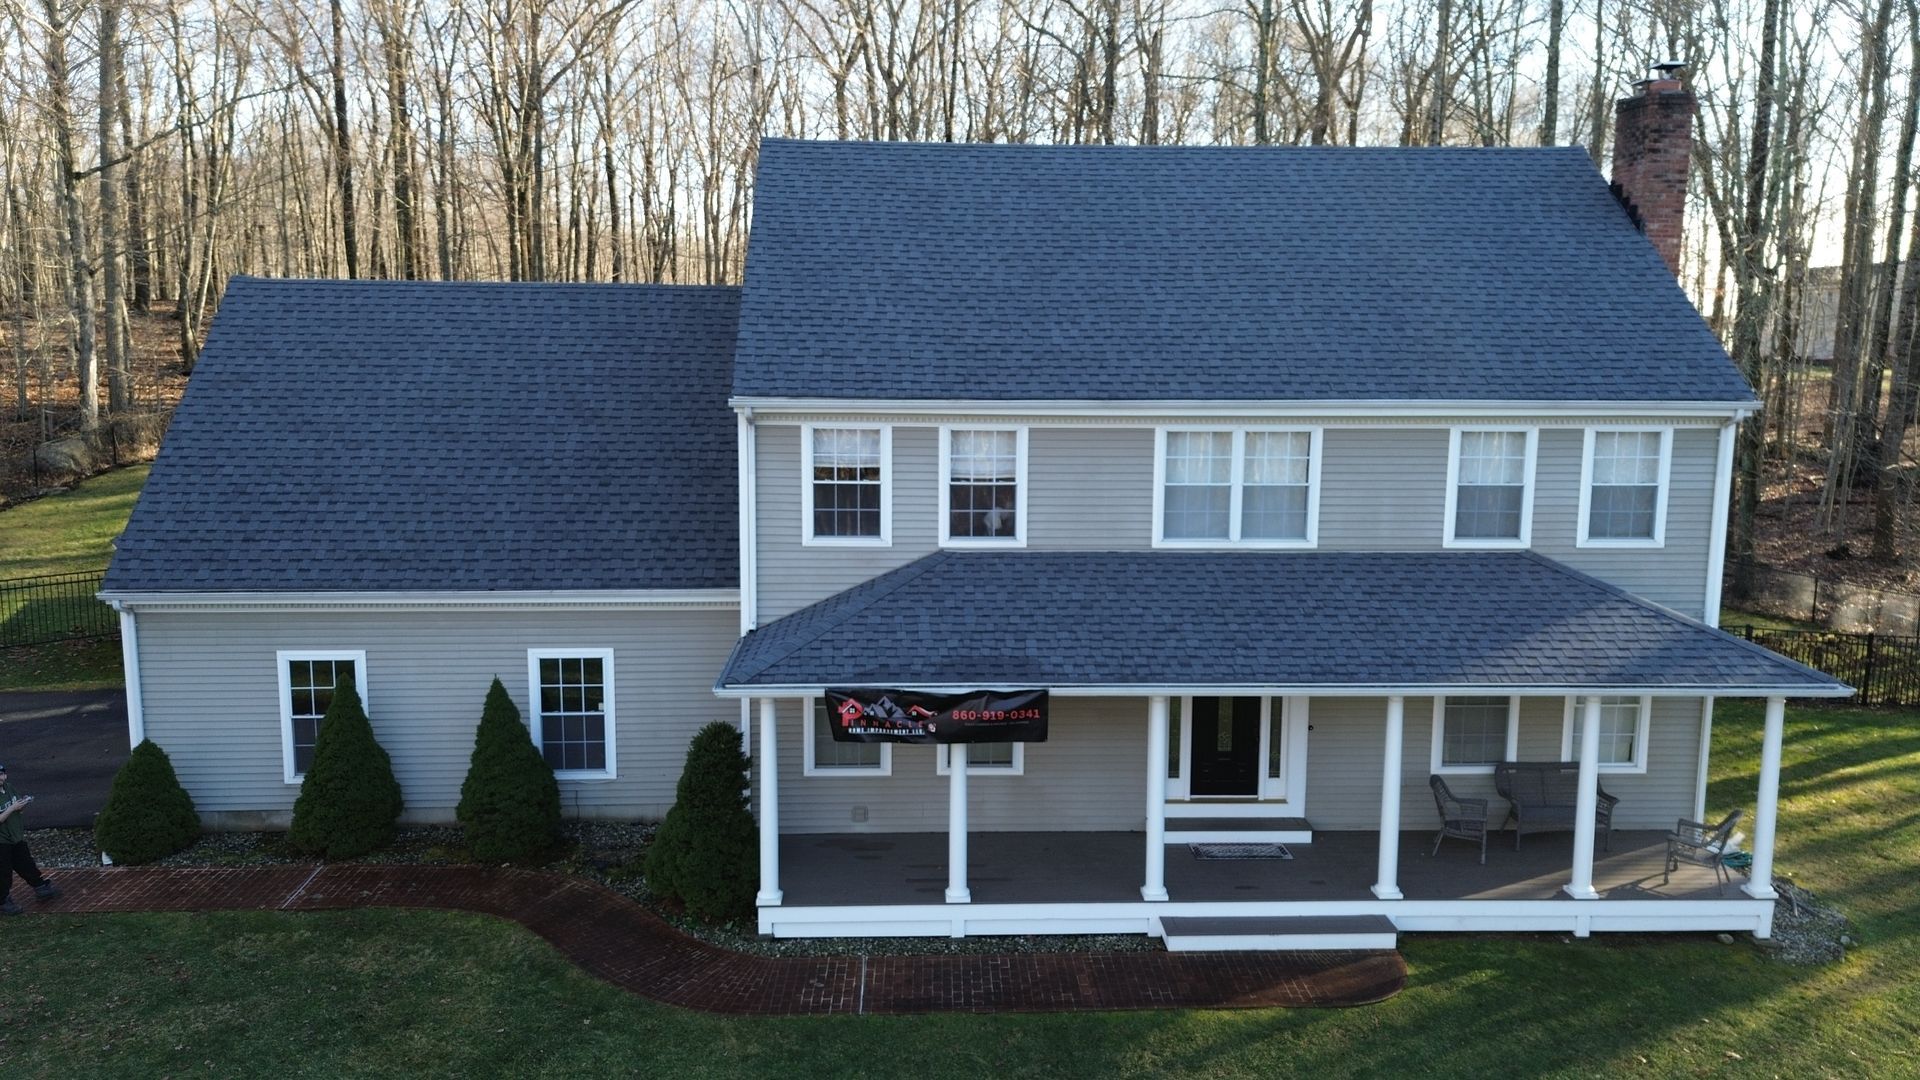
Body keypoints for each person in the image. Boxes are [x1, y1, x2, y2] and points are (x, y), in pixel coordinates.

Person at [0, 762, 62, 915]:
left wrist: (22, 804)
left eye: (2, 774)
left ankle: (41, 887)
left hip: (16, 836)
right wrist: (12, 809)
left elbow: (17, 807)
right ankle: (3, 902)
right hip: (1, 841)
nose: (1, 777)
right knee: (3, 872)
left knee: (27, 864)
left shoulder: (9, 788)